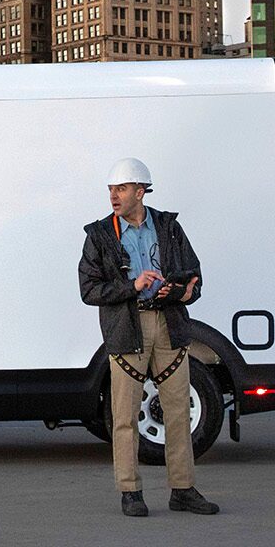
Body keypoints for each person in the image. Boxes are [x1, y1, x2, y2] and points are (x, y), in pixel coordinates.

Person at [77, 157, 220, 518]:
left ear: (140, 192)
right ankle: (130, 491)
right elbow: (89, 290)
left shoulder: (169, 228)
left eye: (122, 189)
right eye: (111, 189)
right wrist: (133, 285)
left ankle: (183, 489)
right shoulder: (99, 235)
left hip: (169, 324)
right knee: (124, 416)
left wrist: (183, 291)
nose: (114, 196)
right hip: (128, 328)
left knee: (178, 412)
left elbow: (194, 276)